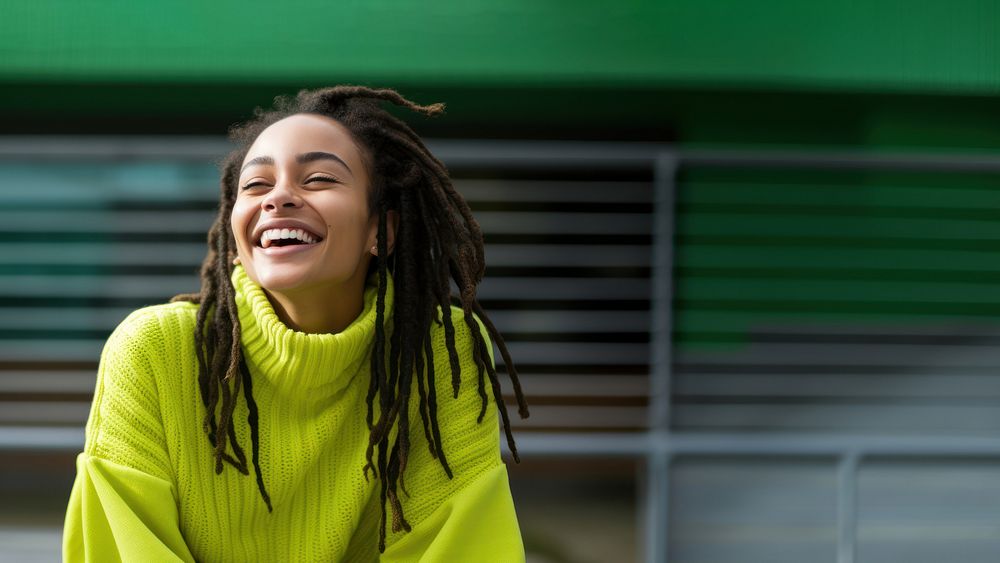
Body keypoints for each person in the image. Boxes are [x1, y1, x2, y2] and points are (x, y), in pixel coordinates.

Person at [62, 85, 529, 562]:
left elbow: (461, 547)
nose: (278, 197)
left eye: (320, 178)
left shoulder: (440, 352)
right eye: (256, 185)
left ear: (380, 231)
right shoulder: (154, 350)